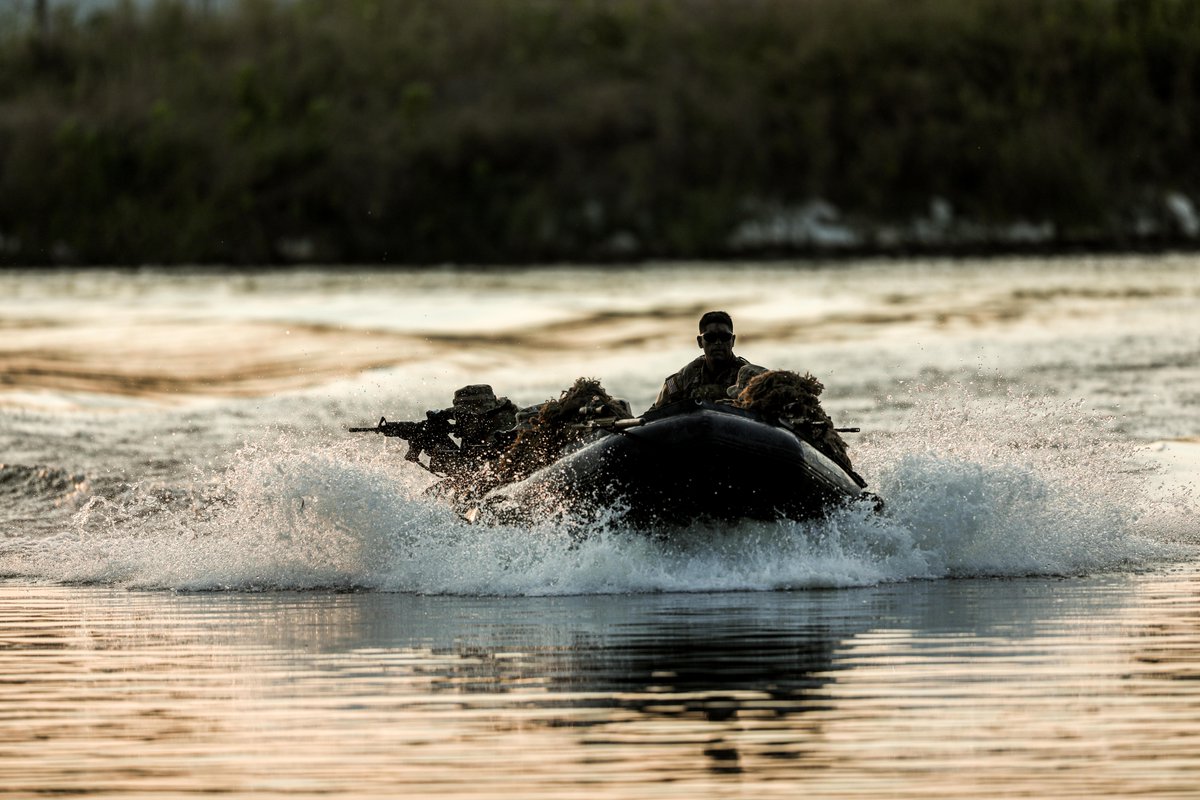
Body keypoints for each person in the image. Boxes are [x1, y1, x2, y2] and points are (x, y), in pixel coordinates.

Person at [647, 311, 765, 411]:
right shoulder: (685, 377)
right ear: (700, 342)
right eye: (711, 338)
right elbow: (657, 412)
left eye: (724, 337)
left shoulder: (750, 378)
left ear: (733, 340)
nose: (718, 343)